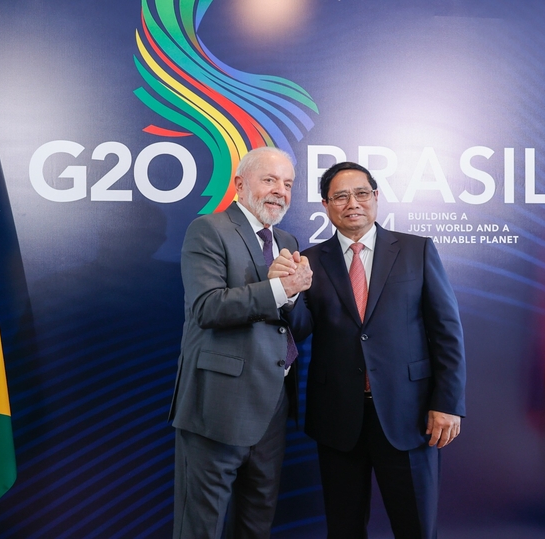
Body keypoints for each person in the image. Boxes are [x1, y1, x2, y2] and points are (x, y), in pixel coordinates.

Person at [281, 161, 466, 538]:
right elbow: (298, 331)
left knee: (415, 526)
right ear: (326, 204)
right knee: (344, 528)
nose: (353, 203)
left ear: (376, 197)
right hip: (337, 417)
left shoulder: (417, 250)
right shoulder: (311, 261)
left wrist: (447, 403)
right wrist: (287, 294)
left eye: (362, 193)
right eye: (341, 196)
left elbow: (446, 332)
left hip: (409, 415)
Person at [169, 147, 313, 539]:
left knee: (256, 522)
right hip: (218, 404)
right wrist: (280, 288)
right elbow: (207, 308)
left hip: (272, 407)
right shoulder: (209, 229)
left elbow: (295, 328)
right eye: (269, 180)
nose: (280, 191)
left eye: (287, 184)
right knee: (201, 525)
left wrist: (295, 295)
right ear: (239, 185)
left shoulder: (287, 239)